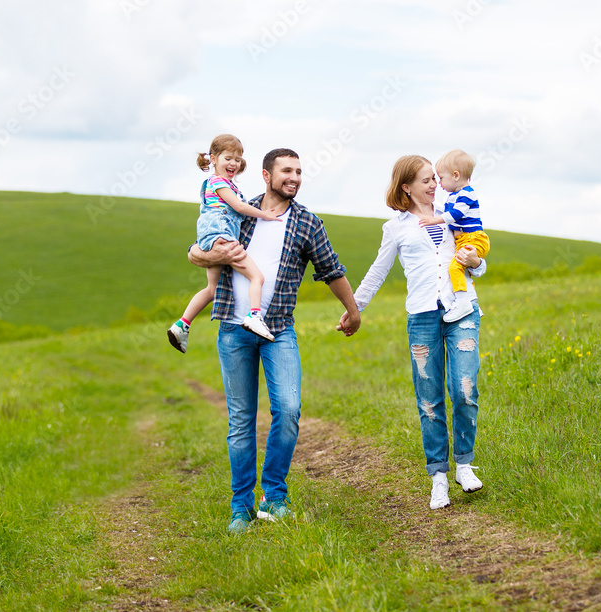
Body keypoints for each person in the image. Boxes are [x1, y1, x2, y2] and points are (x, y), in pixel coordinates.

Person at [188, 148, 361, 533]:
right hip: (233, 330)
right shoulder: (239, 211)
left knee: (289, 409)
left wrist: (353, 311)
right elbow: (197, 249)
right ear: (266, 176)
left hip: (278, 330)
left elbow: (331, 270)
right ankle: (240, 508)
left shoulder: (307, 224)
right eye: (287, 170)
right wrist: (204, 256)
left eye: (298, 171)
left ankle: (274, 497)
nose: (294, 177)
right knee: (241, 420)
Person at [338, 155, 486, 511]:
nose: (434, 184)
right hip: (421, 316)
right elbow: (378, 271)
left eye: (435, 178)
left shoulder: (454, 213)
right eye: (425, 180)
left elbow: (477, 258)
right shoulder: (396, 228)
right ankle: (438, 477)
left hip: (462, 309)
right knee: (429, 399)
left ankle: (464, 465)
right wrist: (355, 308)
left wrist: (477, 263)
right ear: (406, 187)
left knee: (464, 389)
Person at [169, 134, 281, 353]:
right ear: (213, 159)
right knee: (257, 278)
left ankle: (182, 325)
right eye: (228, 158)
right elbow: (239, 207)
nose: (233, 163)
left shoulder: (217, 184)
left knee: (212, 289)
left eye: (237, 159)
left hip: (210, 240)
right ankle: (254, 316)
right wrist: (265, 214)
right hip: (223, 237)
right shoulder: (219, 182)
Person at [416, 149, 490, 323]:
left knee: (455, 267)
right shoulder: (453, 196)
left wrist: (434, 220)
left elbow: (455, 215)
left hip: (473, 239)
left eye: (441, 178)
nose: (438, 183)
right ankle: (465, 301)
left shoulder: (466, 194)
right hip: (464, 239)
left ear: (456, 175)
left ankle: (463, 303)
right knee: (458, 267)